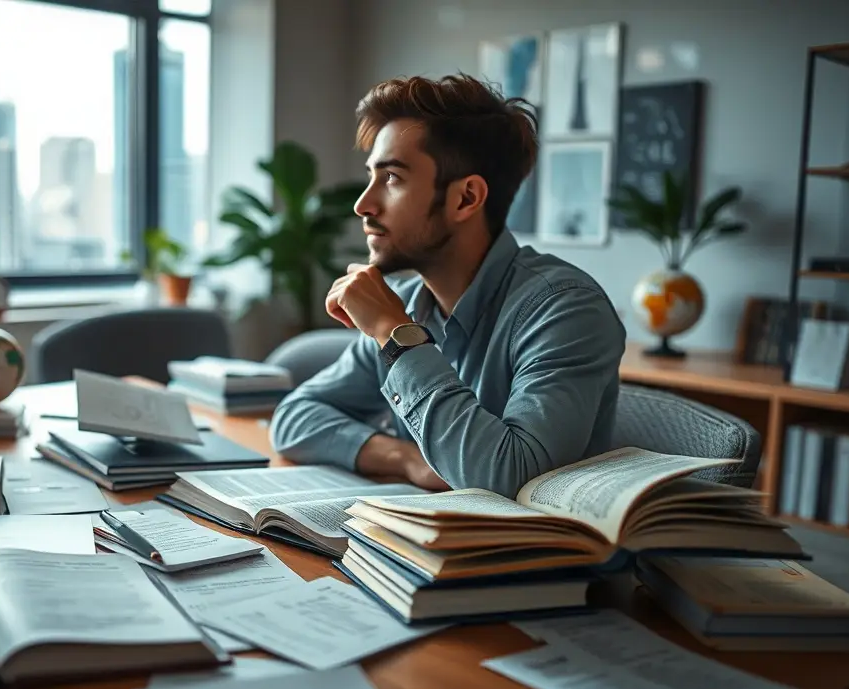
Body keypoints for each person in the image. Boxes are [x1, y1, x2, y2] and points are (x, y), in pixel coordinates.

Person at [268, 73, 626, 499]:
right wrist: (407, 459)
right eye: (371, 177)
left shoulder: (565, 309)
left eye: (393, 178)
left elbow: (513, 477)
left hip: (537, 560)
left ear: (465, 199)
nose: (363, 204)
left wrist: (395, 335)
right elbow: (293, 418)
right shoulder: (405, 303)